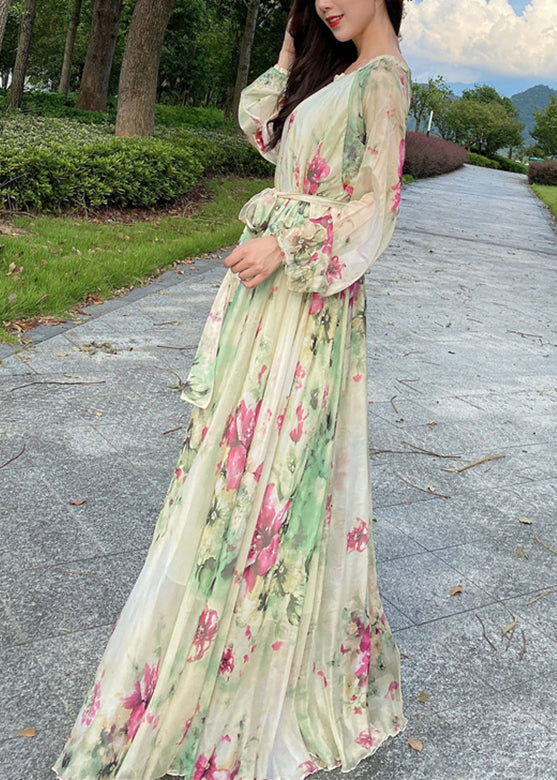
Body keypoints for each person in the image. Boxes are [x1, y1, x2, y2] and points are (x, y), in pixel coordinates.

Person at [53, 1, 412, 778]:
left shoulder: (382, 80)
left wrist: (286, 245)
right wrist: (290, 47)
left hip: (306, 299)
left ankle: (248, 648)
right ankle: (219, 625)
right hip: (271, 302)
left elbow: (376, 207)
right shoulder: (337, 72)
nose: (326, 3)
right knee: (239, 460)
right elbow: (263, 130)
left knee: (275, 470)